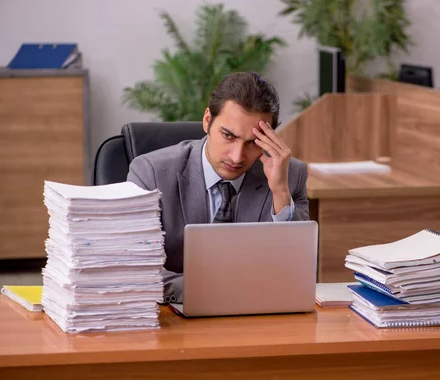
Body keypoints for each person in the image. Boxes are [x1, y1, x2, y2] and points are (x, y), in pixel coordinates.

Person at [127, 72, 310, 302]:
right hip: (177, 318)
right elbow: (135, 270)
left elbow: (299, 273)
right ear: (207, 121)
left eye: (253, 142)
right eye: (228, 135)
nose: (237, 156)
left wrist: (280, 192)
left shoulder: (289, 175)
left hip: (256, 321)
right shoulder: (150, 174)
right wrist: (216, 291)